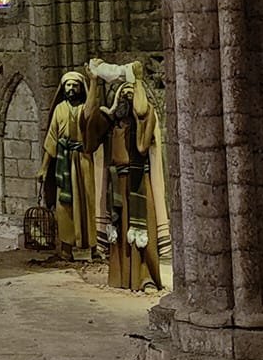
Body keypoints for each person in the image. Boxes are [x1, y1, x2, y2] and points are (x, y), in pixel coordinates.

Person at [85, 60, 171, 292]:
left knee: (143, 232)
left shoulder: (144, 120)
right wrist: (93, 82)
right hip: (116, 183)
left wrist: (138, 80)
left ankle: (145, 278)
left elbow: (143, 114)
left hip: (138, 181)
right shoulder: (110, 123)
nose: (126, 100)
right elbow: (88, 120)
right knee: (119, 234)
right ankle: (122, 278)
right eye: (123, 95)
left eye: (130, 96)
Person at [37, 69, 97, 261]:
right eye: (68, 85)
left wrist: (93, 82)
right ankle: (66, 248)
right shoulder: (59, 109)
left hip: (83, 160)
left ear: (81, 88)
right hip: (64, 161)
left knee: (88, 201)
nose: (71, 89)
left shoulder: (83, 109)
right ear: (63, 88)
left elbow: (90, 113)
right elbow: (51, 140)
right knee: (65, 205)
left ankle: (94, 247)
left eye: (75, 85)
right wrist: (44, 167)